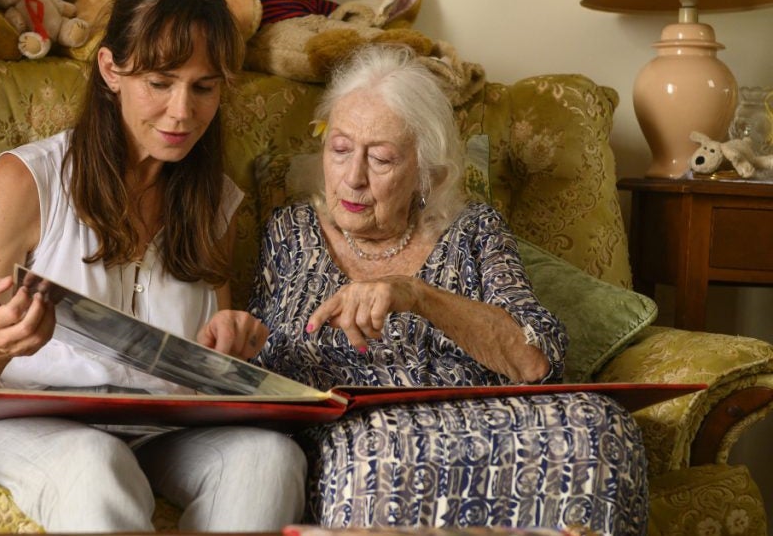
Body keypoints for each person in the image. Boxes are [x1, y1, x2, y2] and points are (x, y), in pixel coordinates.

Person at [0, 0, 306, 531]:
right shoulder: (27, 181)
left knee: (269, 459)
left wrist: (228, 349)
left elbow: (210, 359)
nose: (182, 111)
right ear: (110, 69)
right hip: (18, 427)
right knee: (94, 462)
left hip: (157, 431)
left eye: (203, 87)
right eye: (160, 82)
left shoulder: (214, 202)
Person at [249, 44, 648, 535]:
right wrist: (240, 341)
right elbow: (261, 361)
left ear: (425, 172)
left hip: (487, 424)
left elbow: (536, 362)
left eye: (382, 159)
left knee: (601, 424)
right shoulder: (290, 231)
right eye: (341, 149)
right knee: (379, 449)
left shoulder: (473, 230)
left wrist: (418, 296)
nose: (353, 178)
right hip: (358, 438)